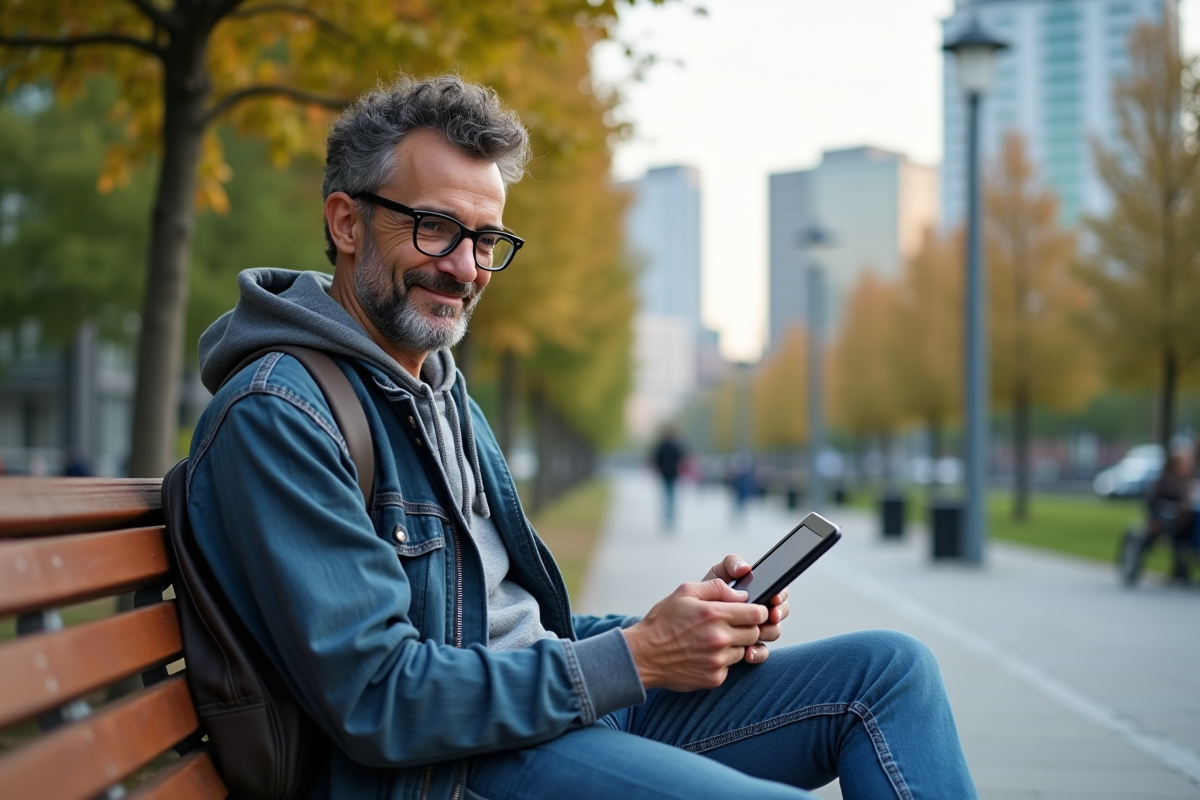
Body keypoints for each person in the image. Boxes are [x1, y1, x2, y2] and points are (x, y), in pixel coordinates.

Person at [187, 75, 977, 800]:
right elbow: (377, 698)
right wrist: (638, 658)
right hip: (444, 769)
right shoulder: (282, 414)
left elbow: (509, 627)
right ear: (346, 223)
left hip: (542, 720)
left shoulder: (438, 393)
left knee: (891, 672)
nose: (465, 267)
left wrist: (673, 629)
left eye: (486, 239)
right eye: (435, 228)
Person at [650, 425, 686, 529]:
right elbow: (681, 459)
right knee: (671, 496)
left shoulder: (662, 445)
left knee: (666, 496)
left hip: (665, 473)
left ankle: (667, 517)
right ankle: (670, 518)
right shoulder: (675, 446)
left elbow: (656, 459)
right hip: (672, 474)